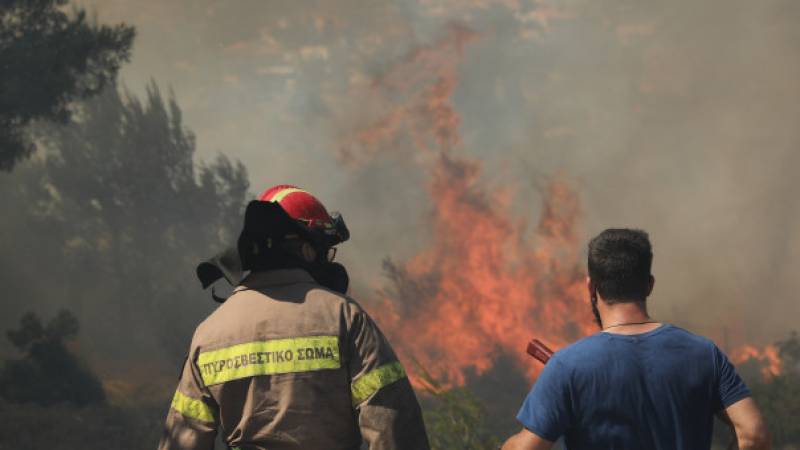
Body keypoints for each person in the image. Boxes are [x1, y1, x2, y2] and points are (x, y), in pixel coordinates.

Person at [158, 185, 430, 450]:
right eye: (325, 250)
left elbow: (181, 439)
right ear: (307, 250)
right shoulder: (345, 318)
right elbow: (394, 429)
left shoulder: (210, 334)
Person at [501, 228, 771, 450]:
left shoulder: (568, 366)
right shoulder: (704, 354)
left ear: (591, 287)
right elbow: (754, 434)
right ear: (649, 284)